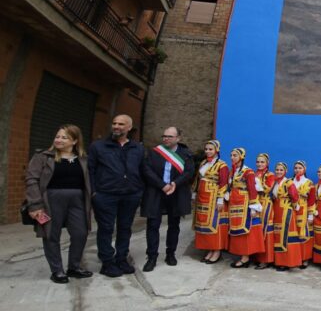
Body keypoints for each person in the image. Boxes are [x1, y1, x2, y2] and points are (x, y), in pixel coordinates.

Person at [25, 124, 92, 283]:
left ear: (74, 141)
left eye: (64, 137)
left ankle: (74, 267)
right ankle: (57, 271)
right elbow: (31, 180)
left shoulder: (83, 159)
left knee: (80, 233)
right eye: (57, 136)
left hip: (77, 200)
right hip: (51, 200)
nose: (59, 140)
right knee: (51, 234)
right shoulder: (43, 156)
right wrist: (35, 205)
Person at [88, 114, 145, 278]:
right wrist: (94, 192)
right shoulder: (98, 147)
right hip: (105, 195)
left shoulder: (137, 148)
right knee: (106, 228)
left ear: (129, 128)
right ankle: (107, 262)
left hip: (130, 195)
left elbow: (142, 170)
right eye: (114, 123)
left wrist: (139, 190)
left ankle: (121, 258)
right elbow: (90, 170)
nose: (116, 126)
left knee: (125, 228)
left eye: (121, 124)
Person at [141, 126, 194, 272]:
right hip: (156, 192)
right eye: (164, 136)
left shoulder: (186, 153)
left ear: (178, 138)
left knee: (174, 225)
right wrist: (162, 185)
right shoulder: (154, 152)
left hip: (176, 192)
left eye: (170, 136)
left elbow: (189, 172)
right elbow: (146, 170)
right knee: (153, 225)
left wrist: (175, 183)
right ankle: (151, 256)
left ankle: (170, 253)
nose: (166, 138)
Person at [193, 140, 229, 264]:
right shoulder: (203, 162)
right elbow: (198, 179)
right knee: (203, 224)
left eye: (211, 149)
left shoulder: (222, 165)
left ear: (216, 150)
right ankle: (209, 249)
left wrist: (220, 199)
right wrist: (195, 193)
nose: (208, 151)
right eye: (206, 149)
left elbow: (224, 182)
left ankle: (217, 251)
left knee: (215, 225)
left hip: (214, 198)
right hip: (202, 197)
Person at [226, 147, 263, 268]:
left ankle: (245, 257)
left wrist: (253, 206)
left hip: (245, 202)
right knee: (236, 228)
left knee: (246, 229)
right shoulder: (233, 171)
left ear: (241, 157)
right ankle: (241, 254)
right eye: (231, 155)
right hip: (234, 202)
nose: (232, 157)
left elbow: (252, 189)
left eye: (235, 155)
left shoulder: (248, 172)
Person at [271, 162, 302, 270]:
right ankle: (278, 261)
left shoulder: (288, 183)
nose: (279, 172)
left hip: (286, 211)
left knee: (286, 236)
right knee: (278, 235)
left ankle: (287, 262)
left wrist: (292, 207)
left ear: (285, 171)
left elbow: (295, 196)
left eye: (281, 170)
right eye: (277, 169)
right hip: (276, 210)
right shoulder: (274, 182)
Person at [253, 153, 276, 268]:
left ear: (267, 163)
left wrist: (255, 183)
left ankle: (266, 259)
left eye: (262, 162)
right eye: (258, 162)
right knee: (256, 230)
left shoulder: (271, 175)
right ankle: (257, 256)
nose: (259, 164)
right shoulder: (254, 173)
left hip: (265, 204)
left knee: (265, 229)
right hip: (255, 203)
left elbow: (266, 189)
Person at [292, 160, 316, 268]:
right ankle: (294, 258)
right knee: (293, 234)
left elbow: (311, 200)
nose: (297, 170)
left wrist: (311, 215)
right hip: (292, 211)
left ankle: (305, 258)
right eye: (296, 168)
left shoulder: (309, 183)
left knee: (304, 234)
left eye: (300, 168)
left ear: (304, 169)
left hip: (304, 211)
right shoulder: (290, 181)